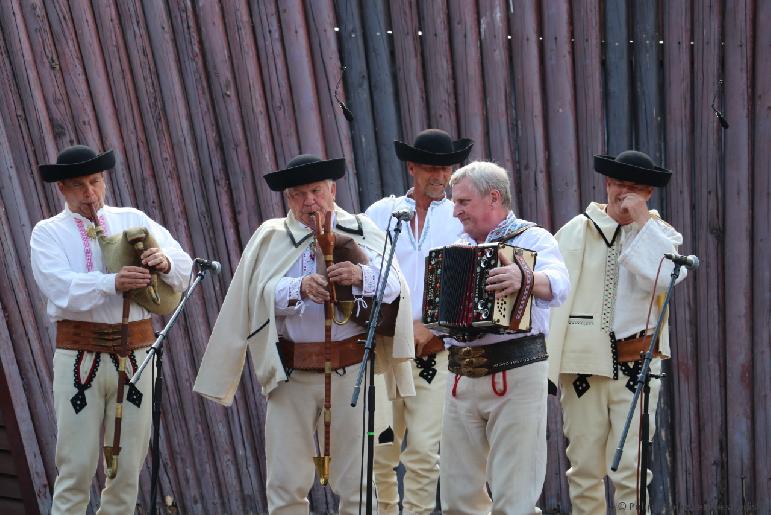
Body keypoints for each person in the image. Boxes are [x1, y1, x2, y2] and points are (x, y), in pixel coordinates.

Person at [193, 155, 415, 515]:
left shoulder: (359, 229)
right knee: (285, 482)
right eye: (298, 194)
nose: (309, 201)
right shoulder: (270, 237)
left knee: (357, 481)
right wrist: (298, 287)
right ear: (288, 199)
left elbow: (395, 288)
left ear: (332, 190)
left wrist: (360, 276)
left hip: (350, 373)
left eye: (315, 191)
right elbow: (253, 297)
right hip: (291, 375)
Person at [30, 145, 193, 514]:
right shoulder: (48, 233)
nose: (90, 193)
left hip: (136, 355)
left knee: (127, 469)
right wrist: (111, 283)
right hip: (79, 358)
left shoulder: (132, 218)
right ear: (62, 190)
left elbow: (183, 265)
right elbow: (60, 288)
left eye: (96, 182)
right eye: (78, 186)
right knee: (76, 467)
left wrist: (163, 262)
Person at [546, 150, 686, 514]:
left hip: (636, 366)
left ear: (649, 194)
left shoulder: (661, 234)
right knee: (585, 466)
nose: (625, 194)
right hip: (582, 368)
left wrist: (641, 225)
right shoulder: (575, 231)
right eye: (619, 185)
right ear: (607, 184)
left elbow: (669, 277)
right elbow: (554, 292)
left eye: (636, 188)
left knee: (632, 468)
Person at [439, 161, 570, 514]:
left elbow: (559, 284)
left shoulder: (533, 238)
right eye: (456, 202)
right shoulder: (458, 246)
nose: (456, 211)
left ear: (493, 197)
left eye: (463, 202)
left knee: (514, 494)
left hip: (515, 372)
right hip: (460, 376)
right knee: (457, 496)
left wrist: (524, 276)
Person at [365, 129, 471, 515]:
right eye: (430, 168)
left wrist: (435, 327)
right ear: (411, 167)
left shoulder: (459, 216)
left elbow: (470, 284)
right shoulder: (379, 214)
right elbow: (362, 275)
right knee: (380, 447)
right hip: (385, 350)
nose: (439, 176)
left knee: (426, 450)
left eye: (445, 168)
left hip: (434, 351)